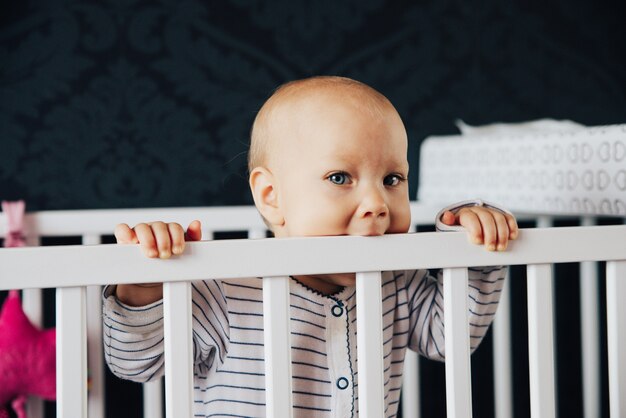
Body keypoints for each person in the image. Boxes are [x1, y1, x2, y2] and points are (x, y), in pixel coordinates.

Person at [103, 76, 518, 417]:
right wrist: (145, 288)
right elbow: (137, 364)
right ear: (271, 195)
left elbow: (449, 338)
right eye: (340, 178)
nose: (376, 205)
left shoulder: (396, 280)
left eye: (392, 179)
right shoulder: (224, 289)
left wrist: (473, 248)